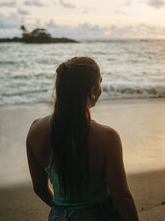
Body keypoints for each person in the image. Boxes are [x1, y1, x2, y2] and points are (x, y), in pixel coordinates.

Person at [26, 56, 139, 221]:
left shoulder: (35, 130)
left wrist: (63, 211)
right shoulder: (108, 138)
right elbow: (122, 198)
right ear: (93, 91)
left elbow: (39, 188)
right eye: (100, 82)